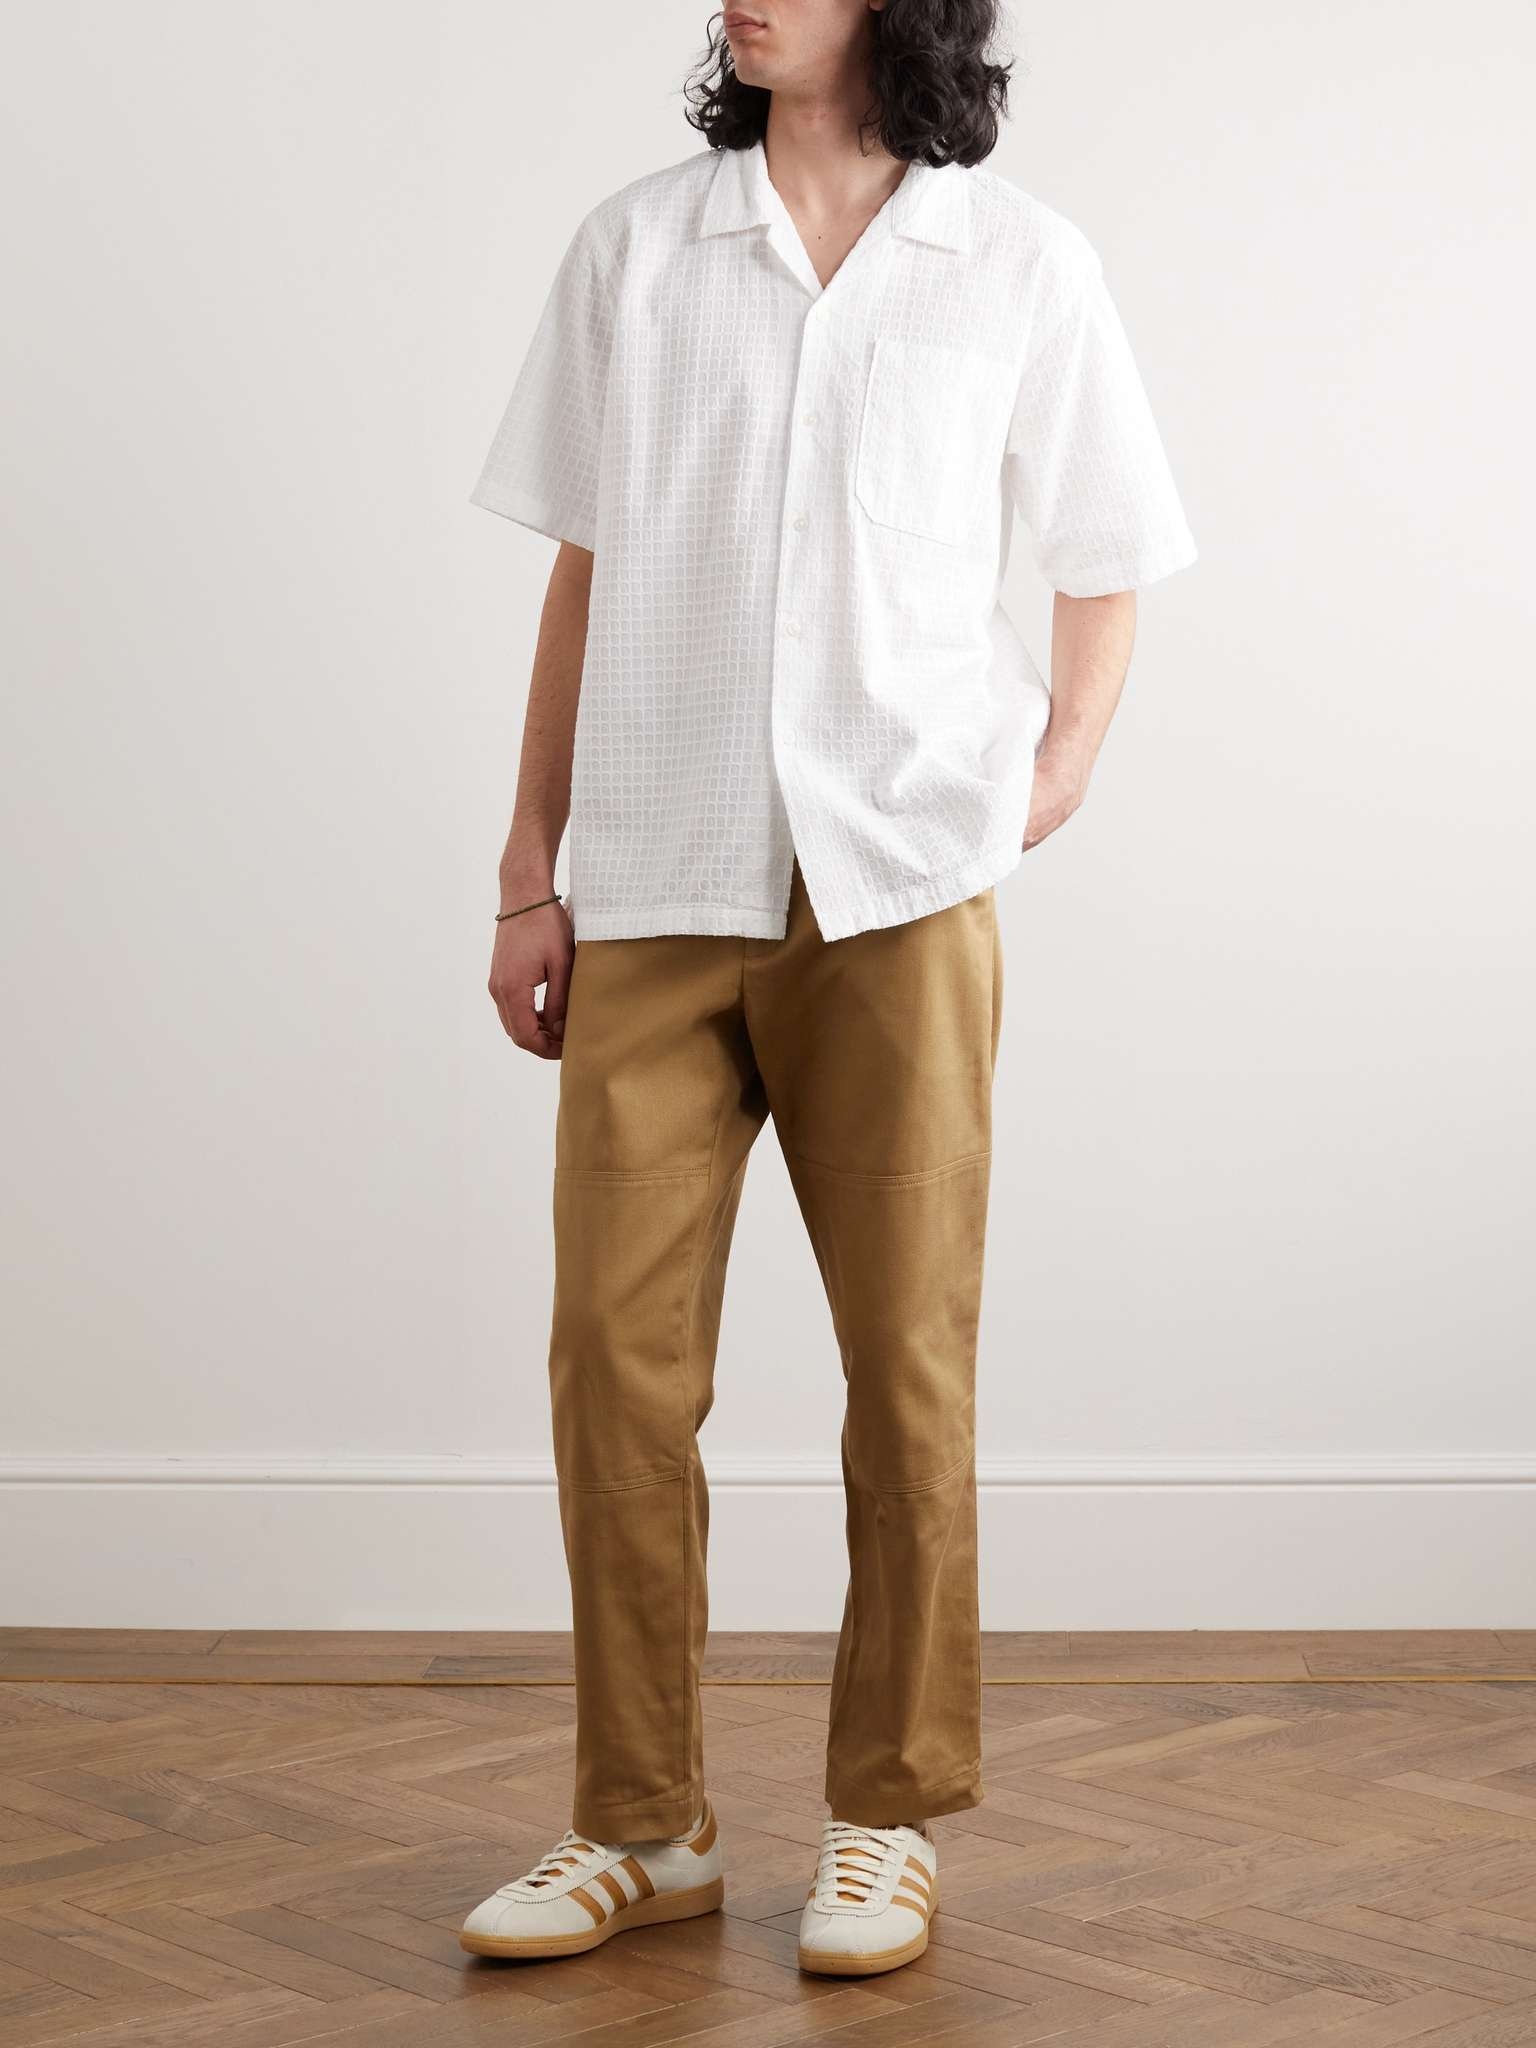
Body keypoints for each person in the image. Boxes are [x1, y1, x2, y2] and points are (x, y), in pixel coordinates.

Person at [461, 0, 1194, 1979]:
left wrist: (1051, 774)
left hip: (900, 886)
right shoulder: (637, 249)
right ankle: (642, 1823)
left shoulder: (1018, 261)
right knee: (611, 1362)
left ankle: (888, 1817)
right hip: (655, 872)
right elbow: (584, 572)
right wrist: (531, 869)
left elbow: (1108, 551)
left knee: (909, 1361)